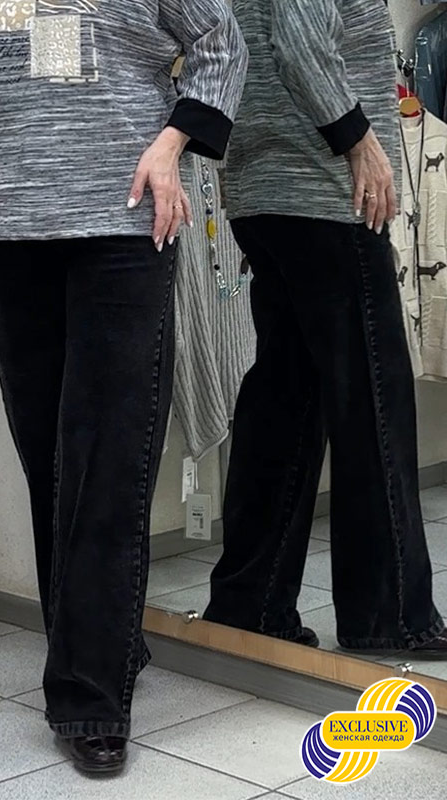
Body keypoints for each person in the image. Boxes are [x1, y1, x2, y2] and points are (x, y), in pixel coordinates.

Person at [0, 0, 247, 774]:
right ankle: (107, 642)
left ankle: (88, 696)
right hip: (9, 234)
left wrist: (170, 145)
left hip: (123, 228)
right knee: (50, 460)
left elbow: (220, 45)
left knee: (108, 458)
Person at [205, 0, 447, 655]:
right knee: (374, 405)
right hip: (325, 190)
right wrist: (359, 142)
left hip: (264, 188)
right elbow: (299, 37)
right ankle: (390, 616)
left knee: (285, 403)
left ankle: (250, 603)